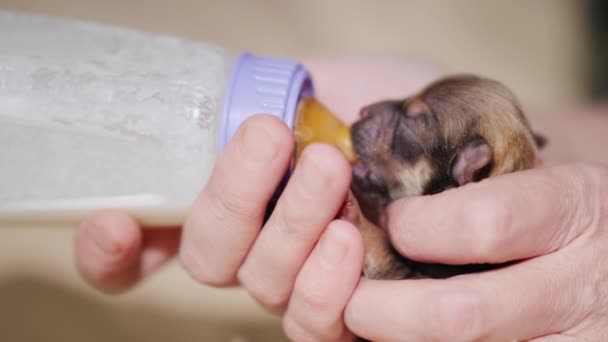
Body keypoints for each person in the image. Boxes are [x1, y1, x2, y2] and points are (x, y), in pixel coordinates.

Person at [74, 56, 608, 341]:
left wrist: (356, 222)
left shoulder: (487, 279)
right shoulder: (461, 175)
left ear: (470, 170)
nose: (373, 109)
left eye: (411, 125)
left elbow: (391, 272)